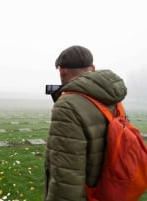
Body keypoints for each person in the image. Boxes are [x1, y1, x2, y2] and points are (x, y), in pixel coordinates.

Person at [44, 45, 127, 201]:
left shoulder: (68, 105)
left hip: (88, 194)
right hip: (111, 187)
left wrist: (64, 108)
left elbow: (66, 176)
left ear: (61, 71)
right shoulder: (113, 99)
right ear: (93, 68)